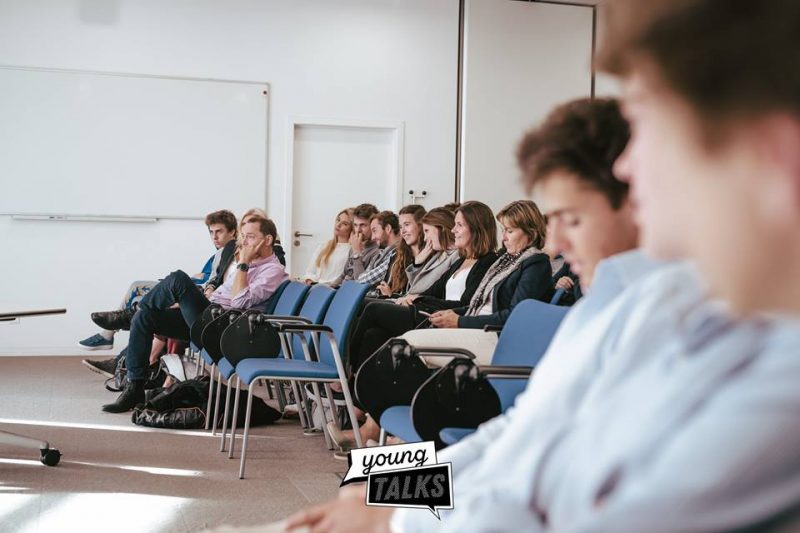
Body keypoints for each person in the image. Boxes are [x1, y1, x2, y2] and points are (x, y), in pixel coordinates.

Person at [291, 0, 800, 529]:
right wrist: (381, 487)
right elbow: (521, 442)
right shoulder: (639, 301)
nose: (630, 163)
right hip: (470, 501)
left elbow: (567, 508)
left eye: (648, 120)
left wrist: (394, 517)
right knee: (350, 484)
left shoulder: (748, 350)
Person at [101, 215, 289, 413]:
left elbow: (239, 301)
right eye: (243, 237)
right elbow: (219, 296)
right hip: (211, 320)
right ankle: (135, 387)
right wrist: (183, 304)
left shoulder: (272, 270)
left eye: (250, 237)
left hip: (227, 332)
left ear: (267, 240)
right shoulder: (250, 265)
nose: (244, 243)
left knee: (178, 279)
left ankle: (129, 314)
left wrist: (243, 263)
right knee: (145, 318)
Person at [80, 210, 238, 376]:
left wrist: (198, 285)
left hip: (203, 304)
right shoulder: (221, 253)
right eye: (211, 232)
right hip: (196, 293)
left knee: (153, 290)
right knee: (147, 311)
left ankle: (120, 336)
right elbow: (212, 279)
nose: (214, 237)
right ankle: (125, 364)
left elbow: (217, 284)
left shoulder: (234, 255)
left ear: (233, 231)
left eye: (219, 231)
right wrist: (204, 285)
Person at [399, 199, 554, 364]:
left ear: (531, 233)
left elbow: (515, 317)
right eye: (503, 230)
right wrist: (454, 314)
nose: (504, 238)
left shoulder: (536, 263)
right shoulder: (506, 261)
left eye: (509, 231)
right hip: (479, 330)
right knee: (403, 341)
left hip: (497, 338)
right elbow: (477, 306)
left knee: (406, 344)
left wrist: (460, 321)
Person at [375, 205, 426, 297]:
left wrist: (391, 295)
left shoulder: (432, 255)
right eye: (401, 227)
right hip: (390, 303)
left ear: (421, 225)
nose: (403, 231)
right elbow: (386, 287)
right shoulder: (396, 254)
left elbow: (420, 295)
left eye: (407, 225)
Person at [301, 209, 353, 285]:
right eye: (338, 220)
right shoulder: (324, 245)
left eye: (345, 224)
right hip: (316, 286)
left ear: (352, 229)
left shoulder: (351, 250)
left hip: (333, 289)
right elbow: (310, 272)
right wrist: (309, 280)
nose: (338, 225)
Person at [334, 203, 380, 286]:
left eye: (363, 225)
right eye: (355, 225)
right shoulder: (354, 246)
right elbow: (343, 275)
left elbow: (360, 283)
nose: (358, 230)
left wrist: (357, 253)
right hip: (343, 289)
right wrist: (329, 286)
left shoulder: (377, 251)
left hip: (355, 293)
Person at [356, 211, 402, 289]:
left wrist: (356, 253)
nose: (372, 237)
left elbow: (363, 280)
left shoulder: (397, 253)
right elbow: (361, 278)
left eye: (374, 231)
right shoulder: (381, 253)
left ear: (387, 228)